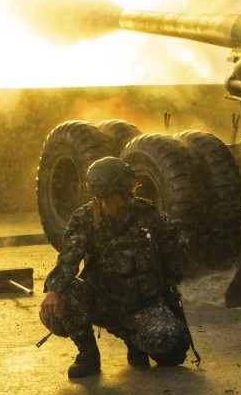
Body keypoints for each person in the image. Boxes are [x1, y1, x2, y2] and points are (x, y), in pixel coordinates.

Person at [39, 156, 194, 378]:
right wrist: (54, 290)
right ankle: (88, 356)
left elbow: (177, 251)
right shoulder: (85, 218)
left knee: (169, 347)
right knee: (59, 305)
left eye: (109, 198)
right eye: (98, 198)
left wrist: (165, 292)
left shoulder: (150, 217)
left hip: (142, 306)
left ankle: (135, 340)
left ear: (127, 192)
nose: (103, 204)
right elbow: (70, 256)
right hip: (101, 302)